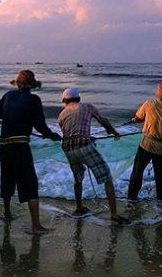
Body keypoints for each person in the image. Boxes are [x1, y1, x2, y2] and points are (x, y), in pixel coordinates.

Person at [0, 70, 61, 234]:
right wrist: (51, 135)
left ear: (17, 83)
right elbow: (39, 125)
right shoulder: (33, 99)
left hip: (5, 147)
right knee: (30, 184)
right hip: (20, 146)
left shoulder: (8, 96)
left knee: (7, 180)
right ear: (32, 85)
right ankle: (36, 226)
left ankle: (7, 213)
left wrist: (10, 115)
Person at [57, 87, 129, 226]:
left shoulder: (61, 114)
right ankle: (114, 217)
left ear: (65, 100)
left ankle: (79, 208)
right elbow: (103, 120)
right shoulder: (87, 106)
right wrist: (112, 132)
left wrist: (86, 136)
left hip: (68, 148)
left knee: (78, 178)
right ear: (79, 98)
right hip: (84, 145)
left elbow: (69, 132)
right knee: (107, 177)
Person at [127, 80, 162, 201]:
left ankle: (132, 198)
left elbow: (138, 118)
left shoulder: (149, 104)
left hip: (147, 144)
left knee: (137, 172)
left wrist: (137, 120)